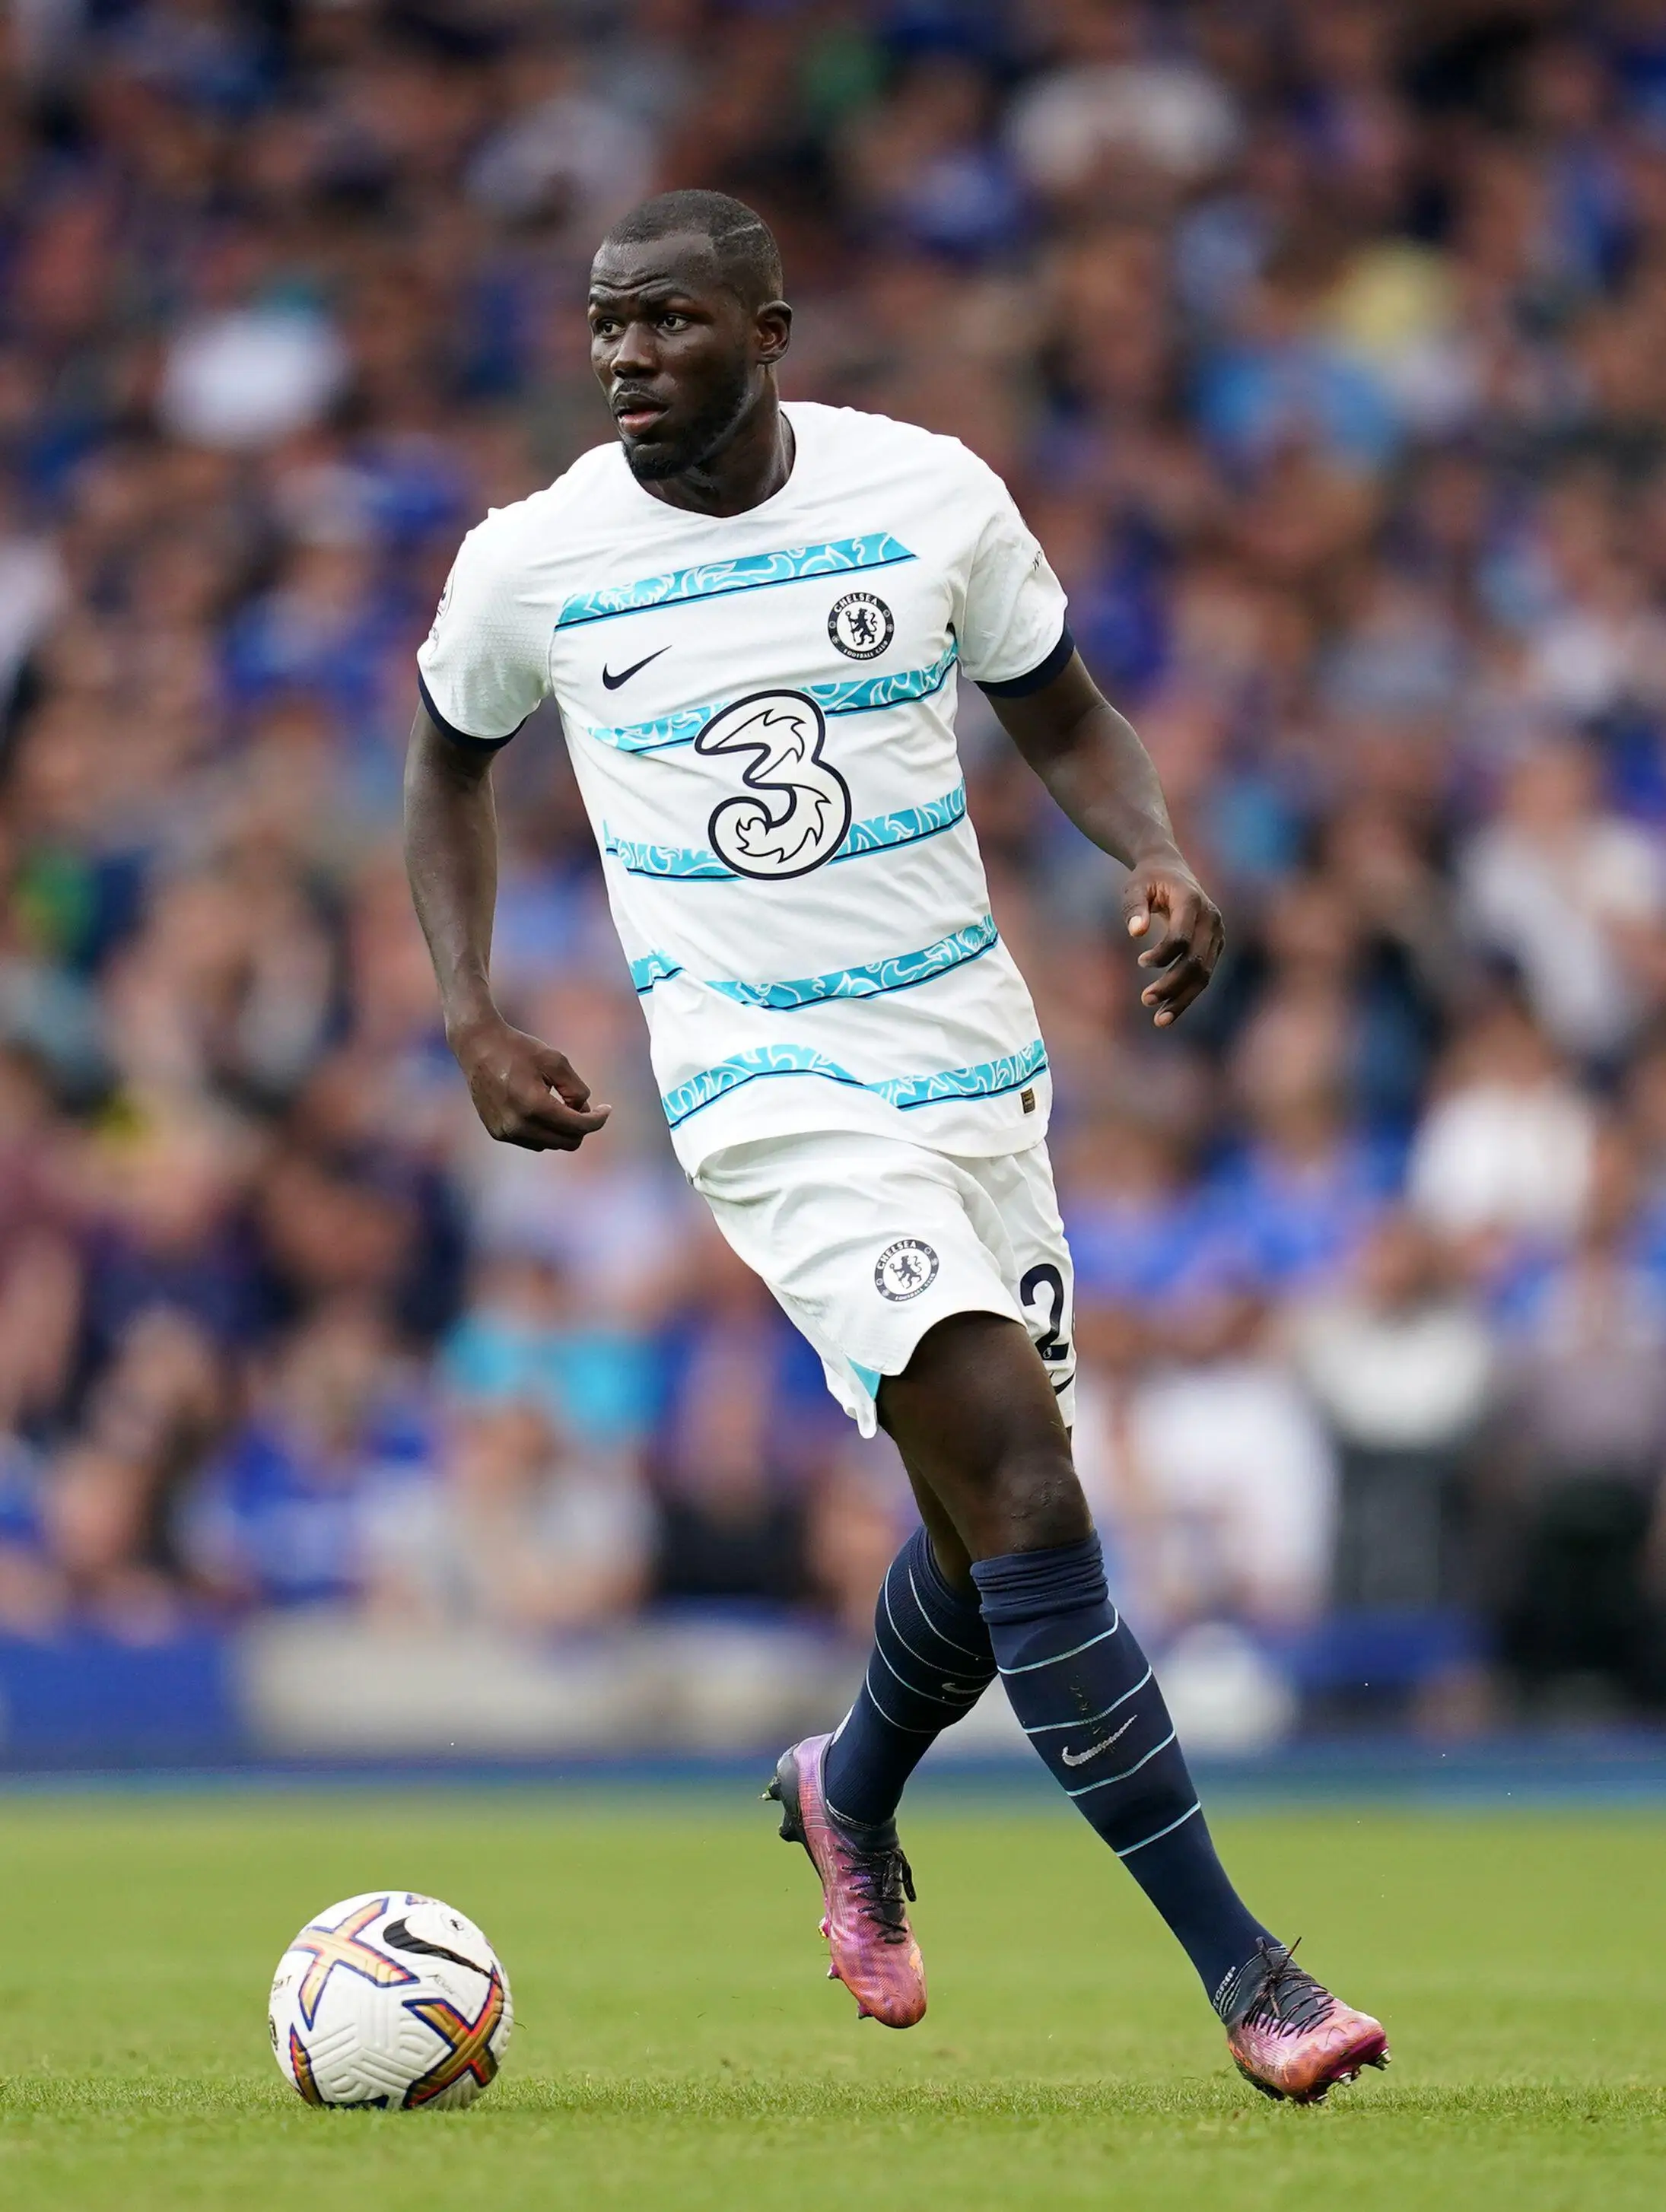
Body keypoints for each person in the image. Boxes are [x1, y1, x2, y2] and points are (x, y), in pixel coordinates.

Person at [404, 189, 1388, 2103]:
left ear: (771, 330)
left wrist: (1159, 855)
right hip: (762, 1080)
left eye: (668, 322)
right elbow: (446, 763)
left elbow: (1070, 713)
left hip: (975, 1064)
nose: (624, 359)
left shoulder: (929, 493)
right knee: (1024, 1475)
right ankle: (1253, 1975)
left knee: (976, 1519)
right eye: (605, 326)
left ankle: (843, 1786)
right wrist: (471, 1007)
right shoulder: (531, 560)